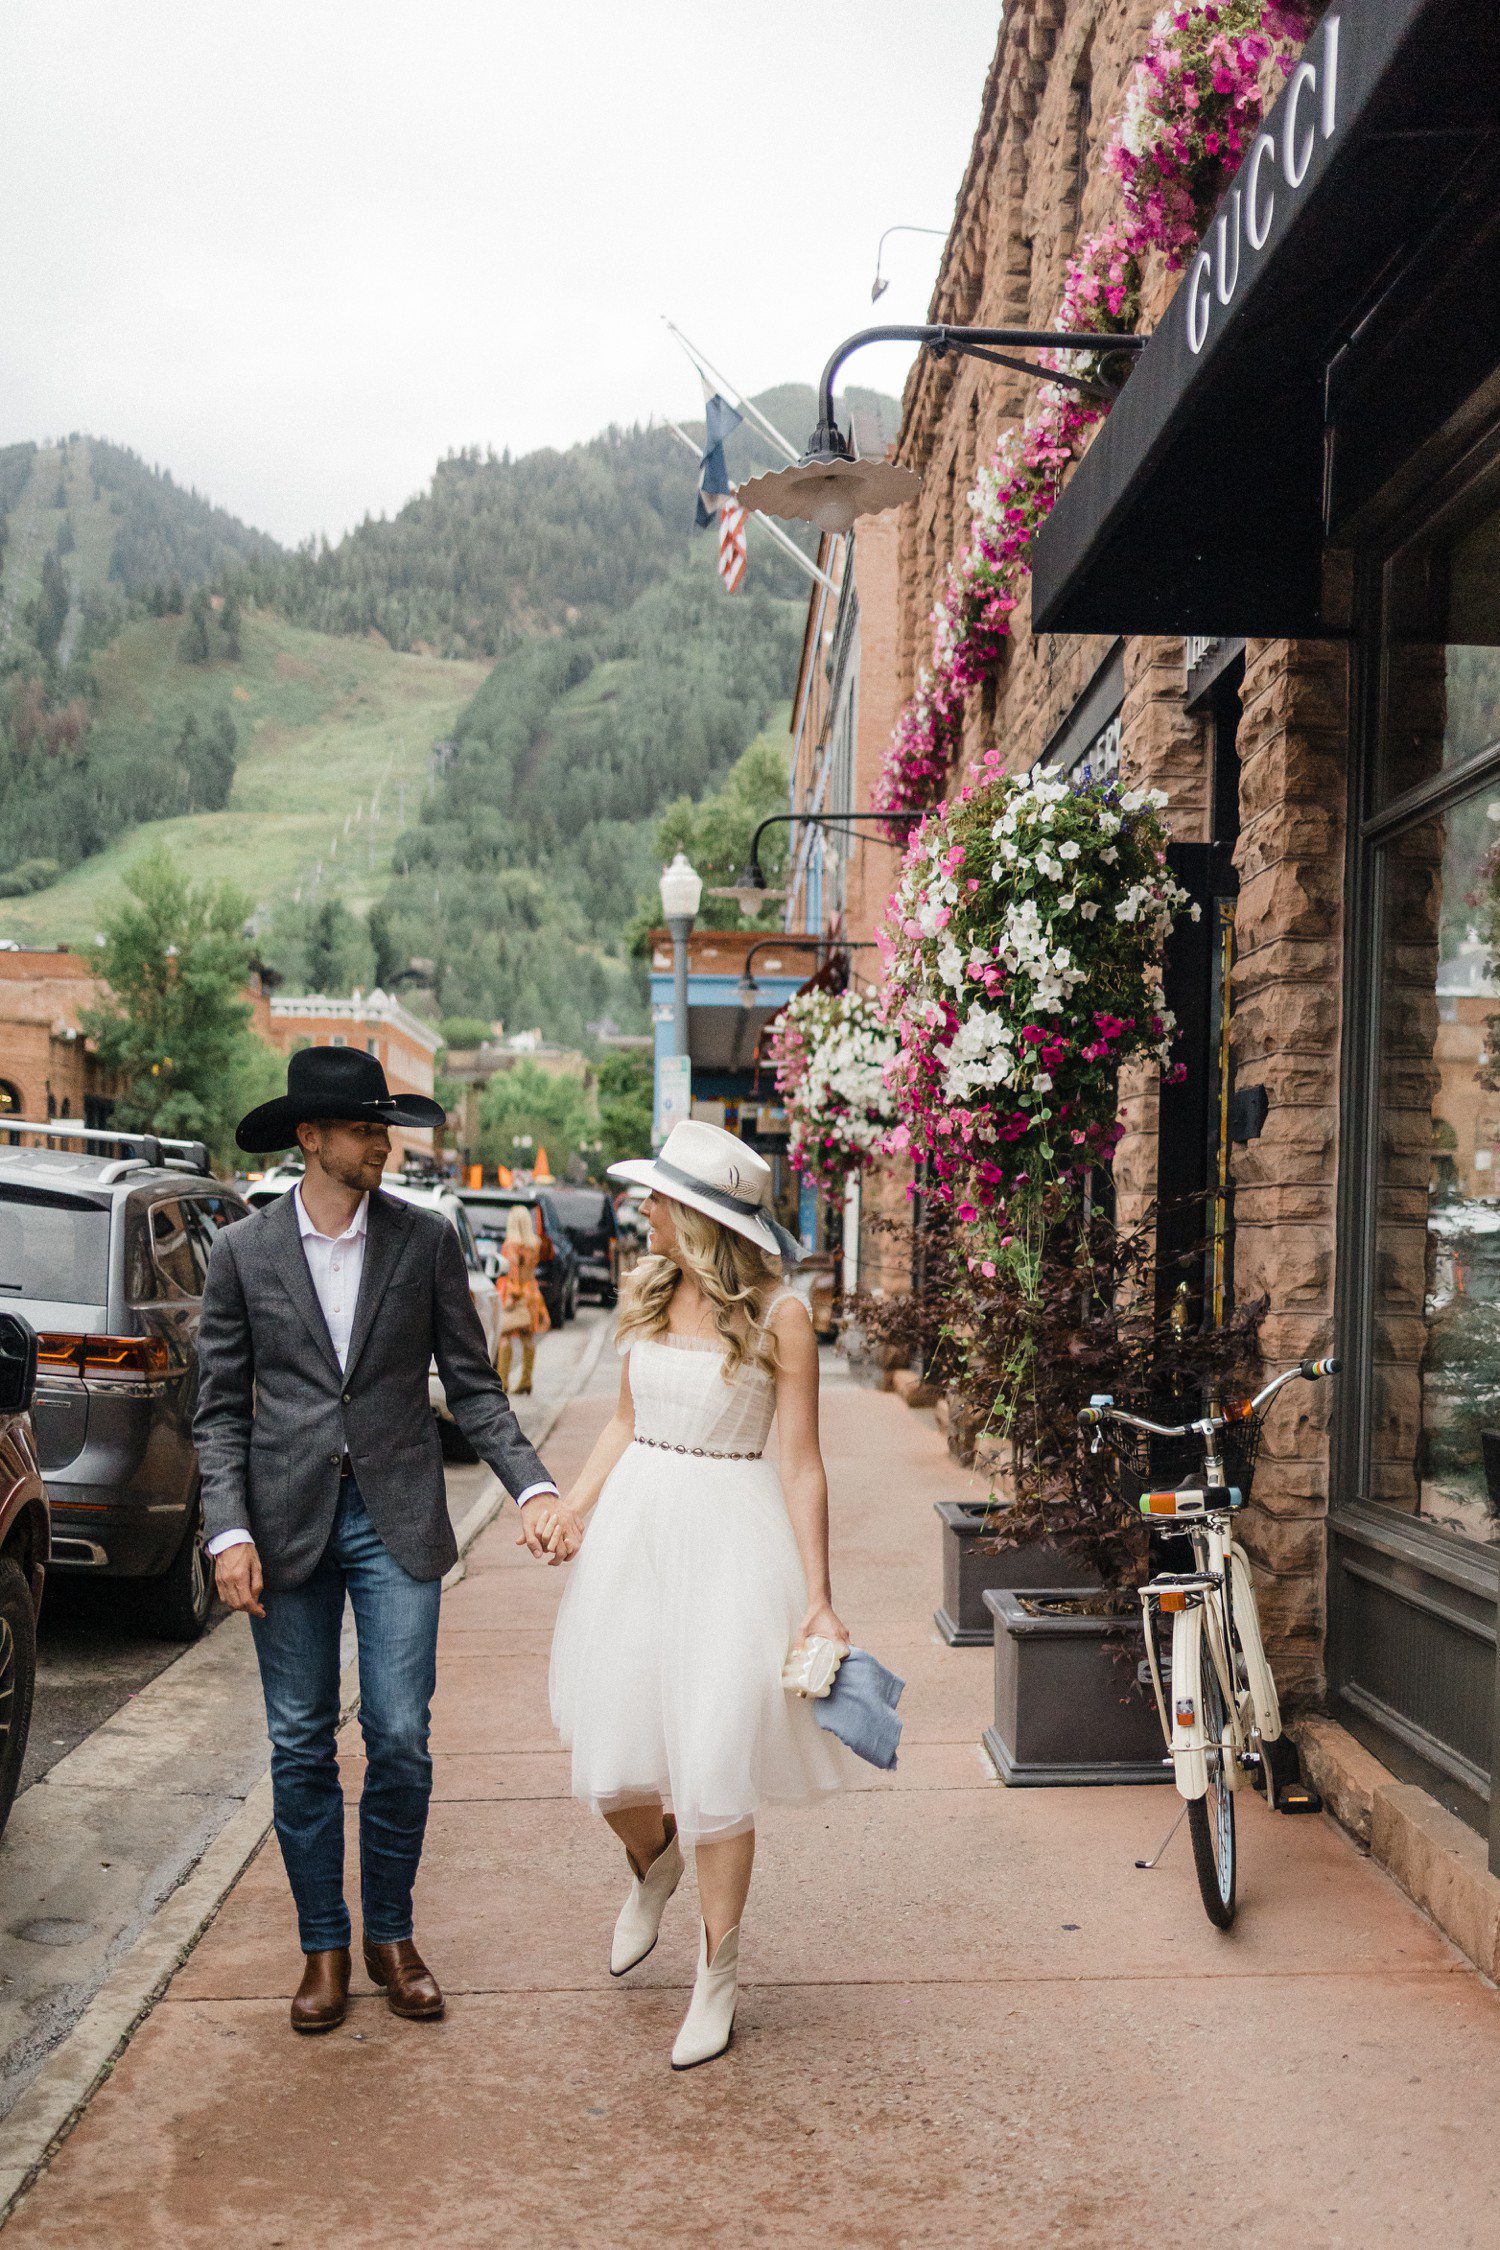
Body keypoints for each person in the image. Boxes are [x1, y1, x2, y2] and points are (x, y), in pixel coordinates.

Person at [195, 1046, 581, 2036]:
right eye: (366, 1127)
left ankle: (392, 1936)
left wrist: (532, 1486)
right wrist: (227, 1527)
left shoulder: (424, 1241)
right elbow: (220, 1412)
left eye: (386, 1126)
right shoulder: (242, 1253)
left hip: (396, 1522)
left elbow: (476, 1383)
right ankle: (323, 1946)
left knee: (401, 1735)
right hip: (282, 1531)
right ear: (311, 1138)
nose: (384, 1141)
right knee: (298, 1739)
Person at [541, 1118, 854, 2071]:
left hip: (729, 1544)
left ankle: (716, 1974)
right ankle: (653, 1860)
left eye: (657, 1198)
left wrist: (819, 1598)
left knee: (716, 1765)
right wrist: (574, 1508)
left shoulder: (780, 1316)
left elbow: (801, 1465)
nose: (641, 1209)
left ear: (699, 1217)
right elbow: (625, 1422)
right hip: (635, 1537)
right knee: (612, 1771)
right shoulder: (648, 1290)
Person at [497, 1202, 550, 1395]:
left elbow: (513, 1273)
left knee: (504, 1335)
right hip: (532, 1293)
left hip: (516, 1292)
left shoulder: (511, 1245)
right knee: (528, 1337)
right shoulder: (534, 1244)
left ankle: (503, 1381)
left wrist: (511, 1296)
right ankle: (526, 1380)